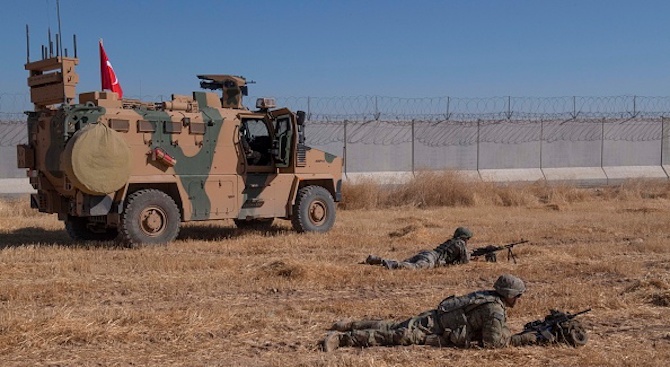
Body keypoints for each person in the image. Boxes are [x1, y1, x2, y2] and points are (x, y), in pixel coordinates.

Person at [320, 274, 539, 352]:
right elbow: (493, 345)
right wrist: (523, 339)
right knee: (395, 335)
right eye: (518, 295)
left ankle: (351, 324)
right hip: (438, 330)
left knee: (394, 325)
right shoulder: (495, 311)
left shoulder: (488, 296)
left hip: (435, 316)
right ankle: (343, 339)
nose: (519, 300)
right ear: (508, 294)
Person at [364, 227, 472, 270]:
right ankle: (386, 262)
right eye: (468, 239)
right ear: (464, 237)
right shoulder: (460, 243)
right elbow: (464, 261)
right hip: (432, 259)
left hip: (427, 253)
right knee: (413, 268)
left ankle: (376, 260)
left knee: (404, 263)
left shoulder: (451, 241)